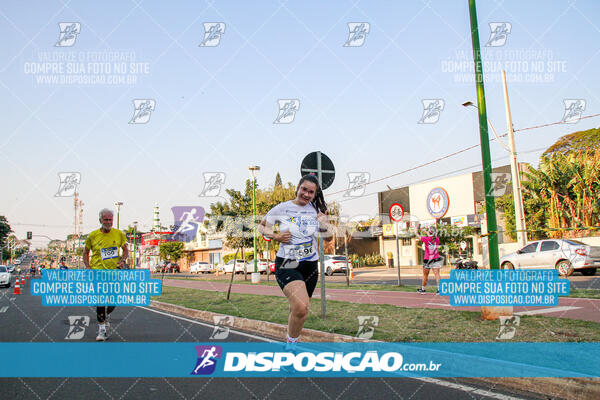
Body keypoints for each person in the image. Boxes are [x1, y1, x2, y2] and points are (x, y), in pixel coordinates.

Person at [258, 174, 330, 350]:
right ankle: (291, 347)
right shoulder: (282, 208)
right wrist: (276, 236)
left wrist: (324, 224)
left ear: (314, 194)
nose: (306, 194)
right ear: (297, 188)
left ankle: (291, 341)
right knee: (301, 306)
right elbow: (261, 227)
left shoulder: (316, 210)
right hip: (287, 263)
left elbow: (328, 238)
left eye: (311, 192)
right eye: (304, 189)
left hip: (310, 265)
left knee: (298, 310)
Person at [83, 208, 128, 341]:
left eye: (110, 220)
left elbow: (125, 250)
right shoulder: (93, 236)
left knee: (113, 302)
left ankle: (106, 316)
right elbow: (85, 252)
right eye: (106, 220)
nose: (108, 222)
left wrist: (123, 260)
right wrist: (88, 267)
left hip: (114, 273)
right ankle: (102, 330)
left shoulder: (119, 234)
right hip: (98, 273)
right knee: (101, 302)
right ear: (100, 220)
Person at [418, 226, 443, 294]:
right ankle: (439, 289)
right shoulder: (437, 239)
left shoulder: (426, 239)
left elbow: (418, 236)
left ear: (429, 232)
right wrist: (425, 231)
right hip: (436, 258)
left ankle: (423, 289)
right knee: (437, 274)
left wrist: (416, 230)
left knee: (425, 275)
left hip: (428, 259)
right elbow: (431, 236)